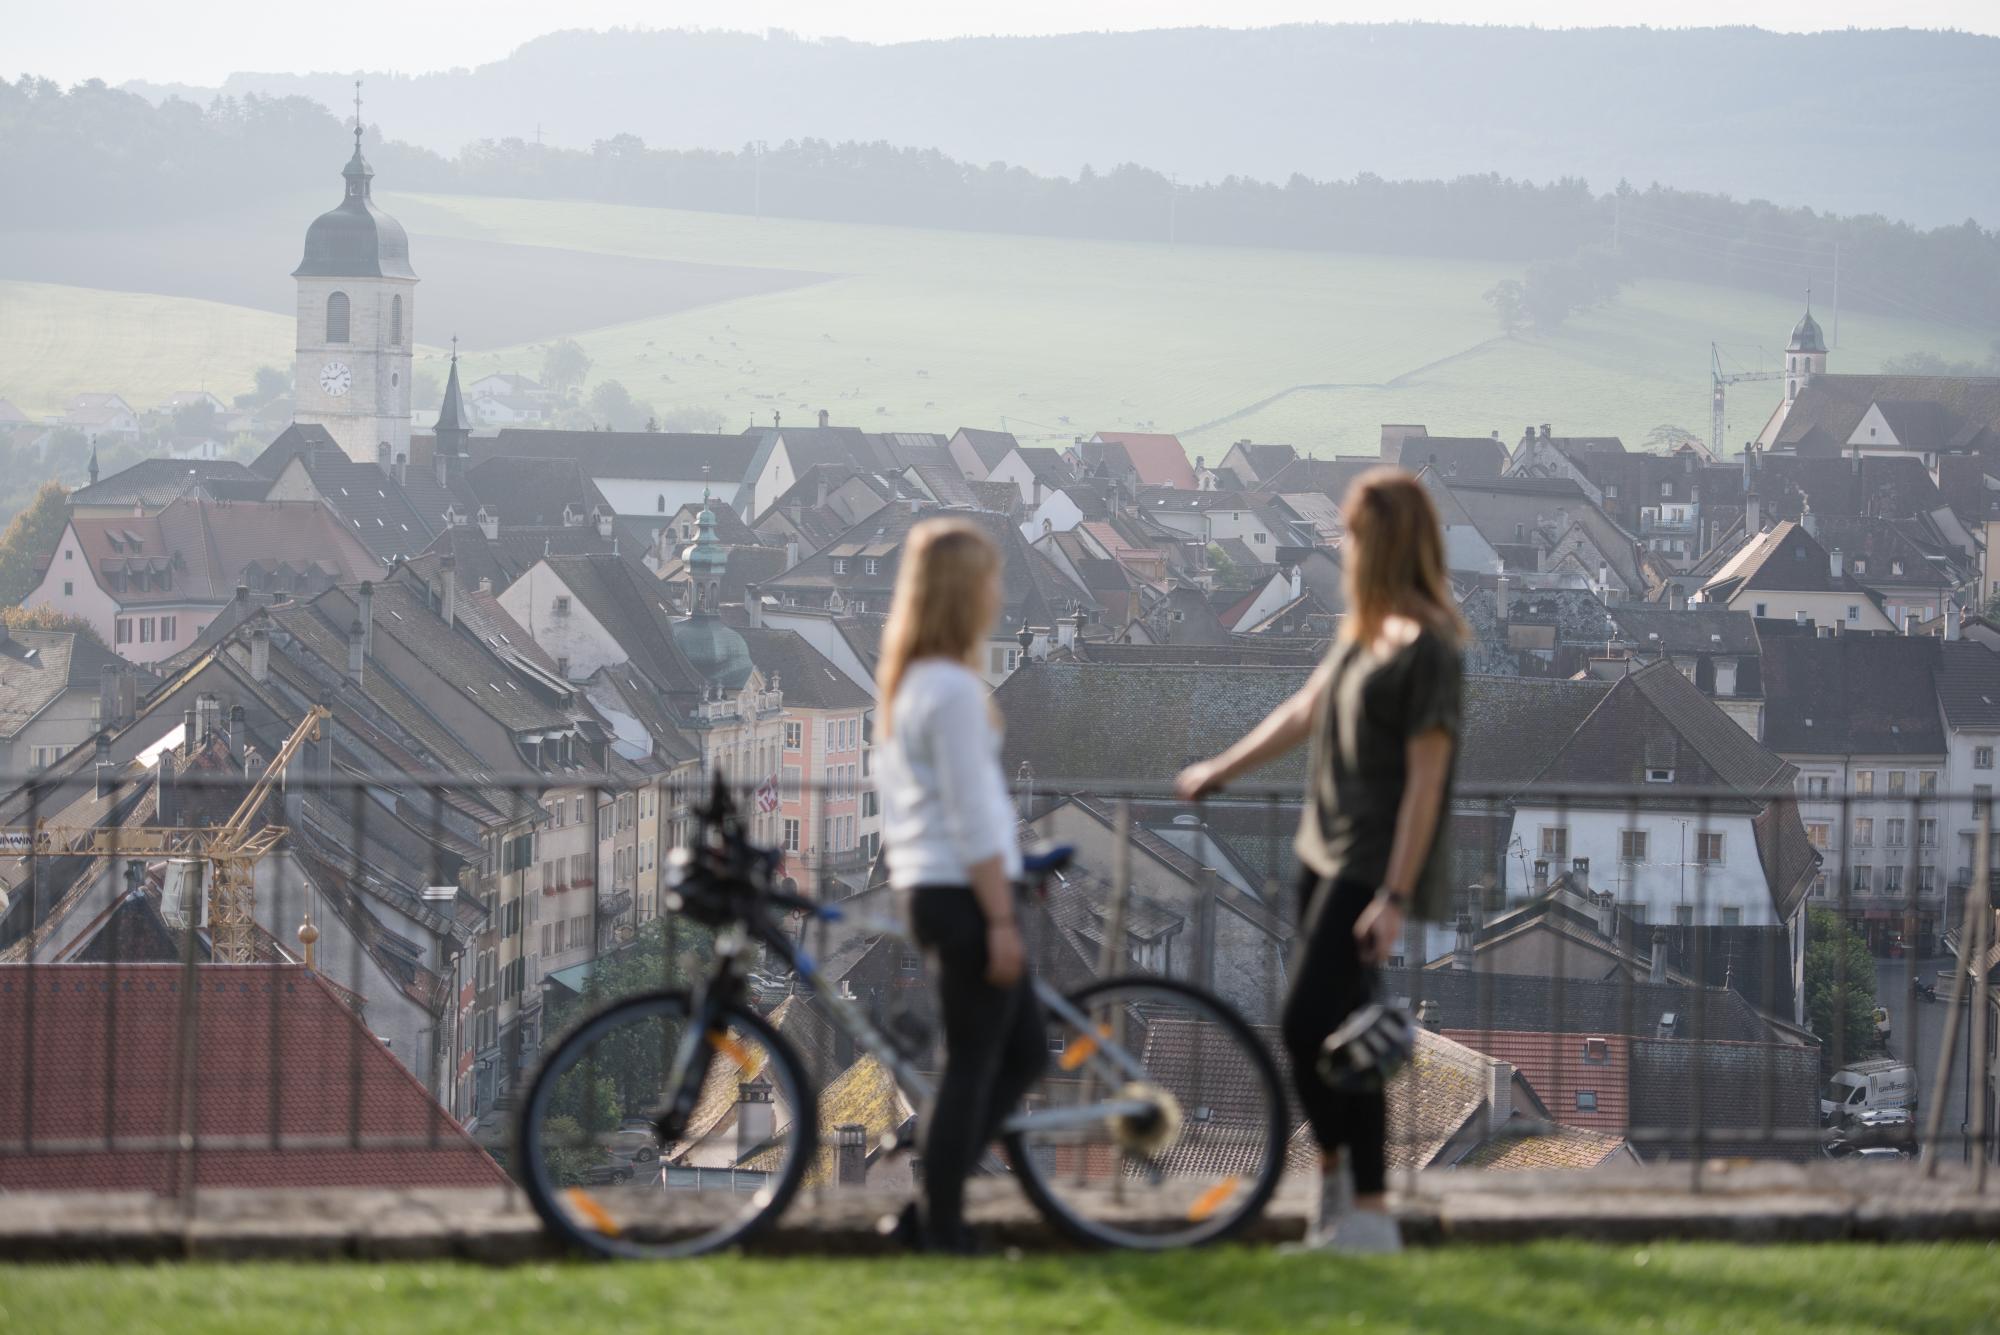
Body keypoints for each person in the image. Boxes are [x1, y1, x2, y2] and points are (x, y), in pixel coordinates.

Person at [1176, 467, 1464, 1254]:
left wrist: (1395, 895)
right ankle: (1346, 1209)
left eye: (1353, 533)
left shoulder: (1428, 652)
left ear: (1386, 541)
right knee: (1339, 1035)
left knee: (1310, 1024)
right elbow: (1302, 711)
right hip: (1321, 850)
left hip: (1369, 866)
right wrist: (1220, 769)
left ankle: (1362, 1211)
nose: (1343, 545)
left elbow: (1427, 782)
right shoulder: (1363, 633)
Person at [874, 517, 1043, 1253]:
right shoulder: (949, 690)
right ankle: (938, 1225)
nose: (999, 594)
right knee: (976, 1063)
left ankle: (931, 1213)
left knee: (1018, 1052)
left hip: (932, 886)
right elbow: (973, 814)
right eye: (990, 580)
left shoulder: (910, 683)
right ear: (964, 592)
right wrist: (1001, 918)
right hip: (962, 891)